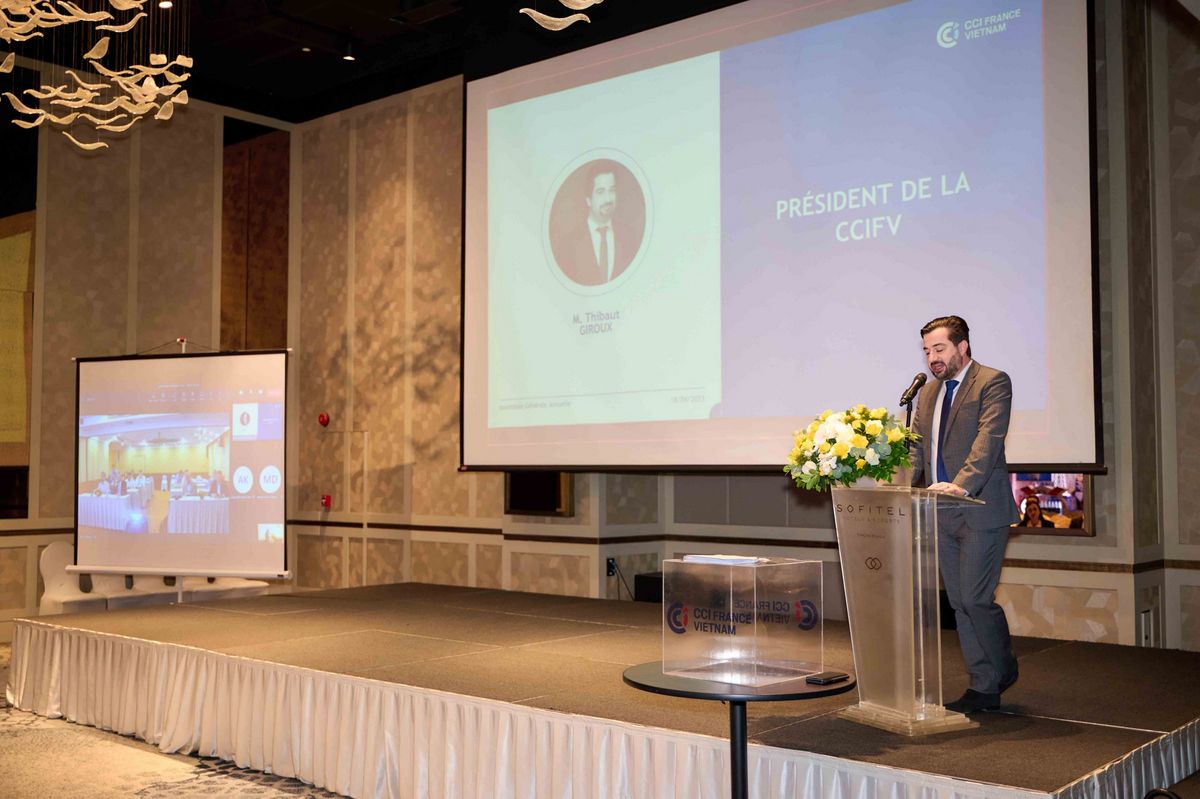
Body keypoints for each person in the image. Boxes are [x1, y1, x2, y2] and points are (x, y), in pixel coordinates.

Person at [909, 315, 1020, 714]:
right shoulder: (928, 393)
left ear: (962, 346)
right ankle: (983, 685)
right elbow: (917, 450)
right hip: (940, 512)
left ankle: (1003, 667)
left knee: (975, 599)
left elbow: (988, 441)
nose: (932, 358)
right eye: (927, 351)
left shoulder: (992, 382)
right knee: (958, 602)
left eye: (939, 349)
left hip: (979, 508)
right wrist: (894, 484)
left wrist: (962, 484)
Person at [556, 165, 635, 286]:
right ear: (588, 199)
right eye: (600, 192)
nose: (608, 199)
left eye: (612, 190)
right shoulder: (569, 244)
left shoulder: (630, 236)